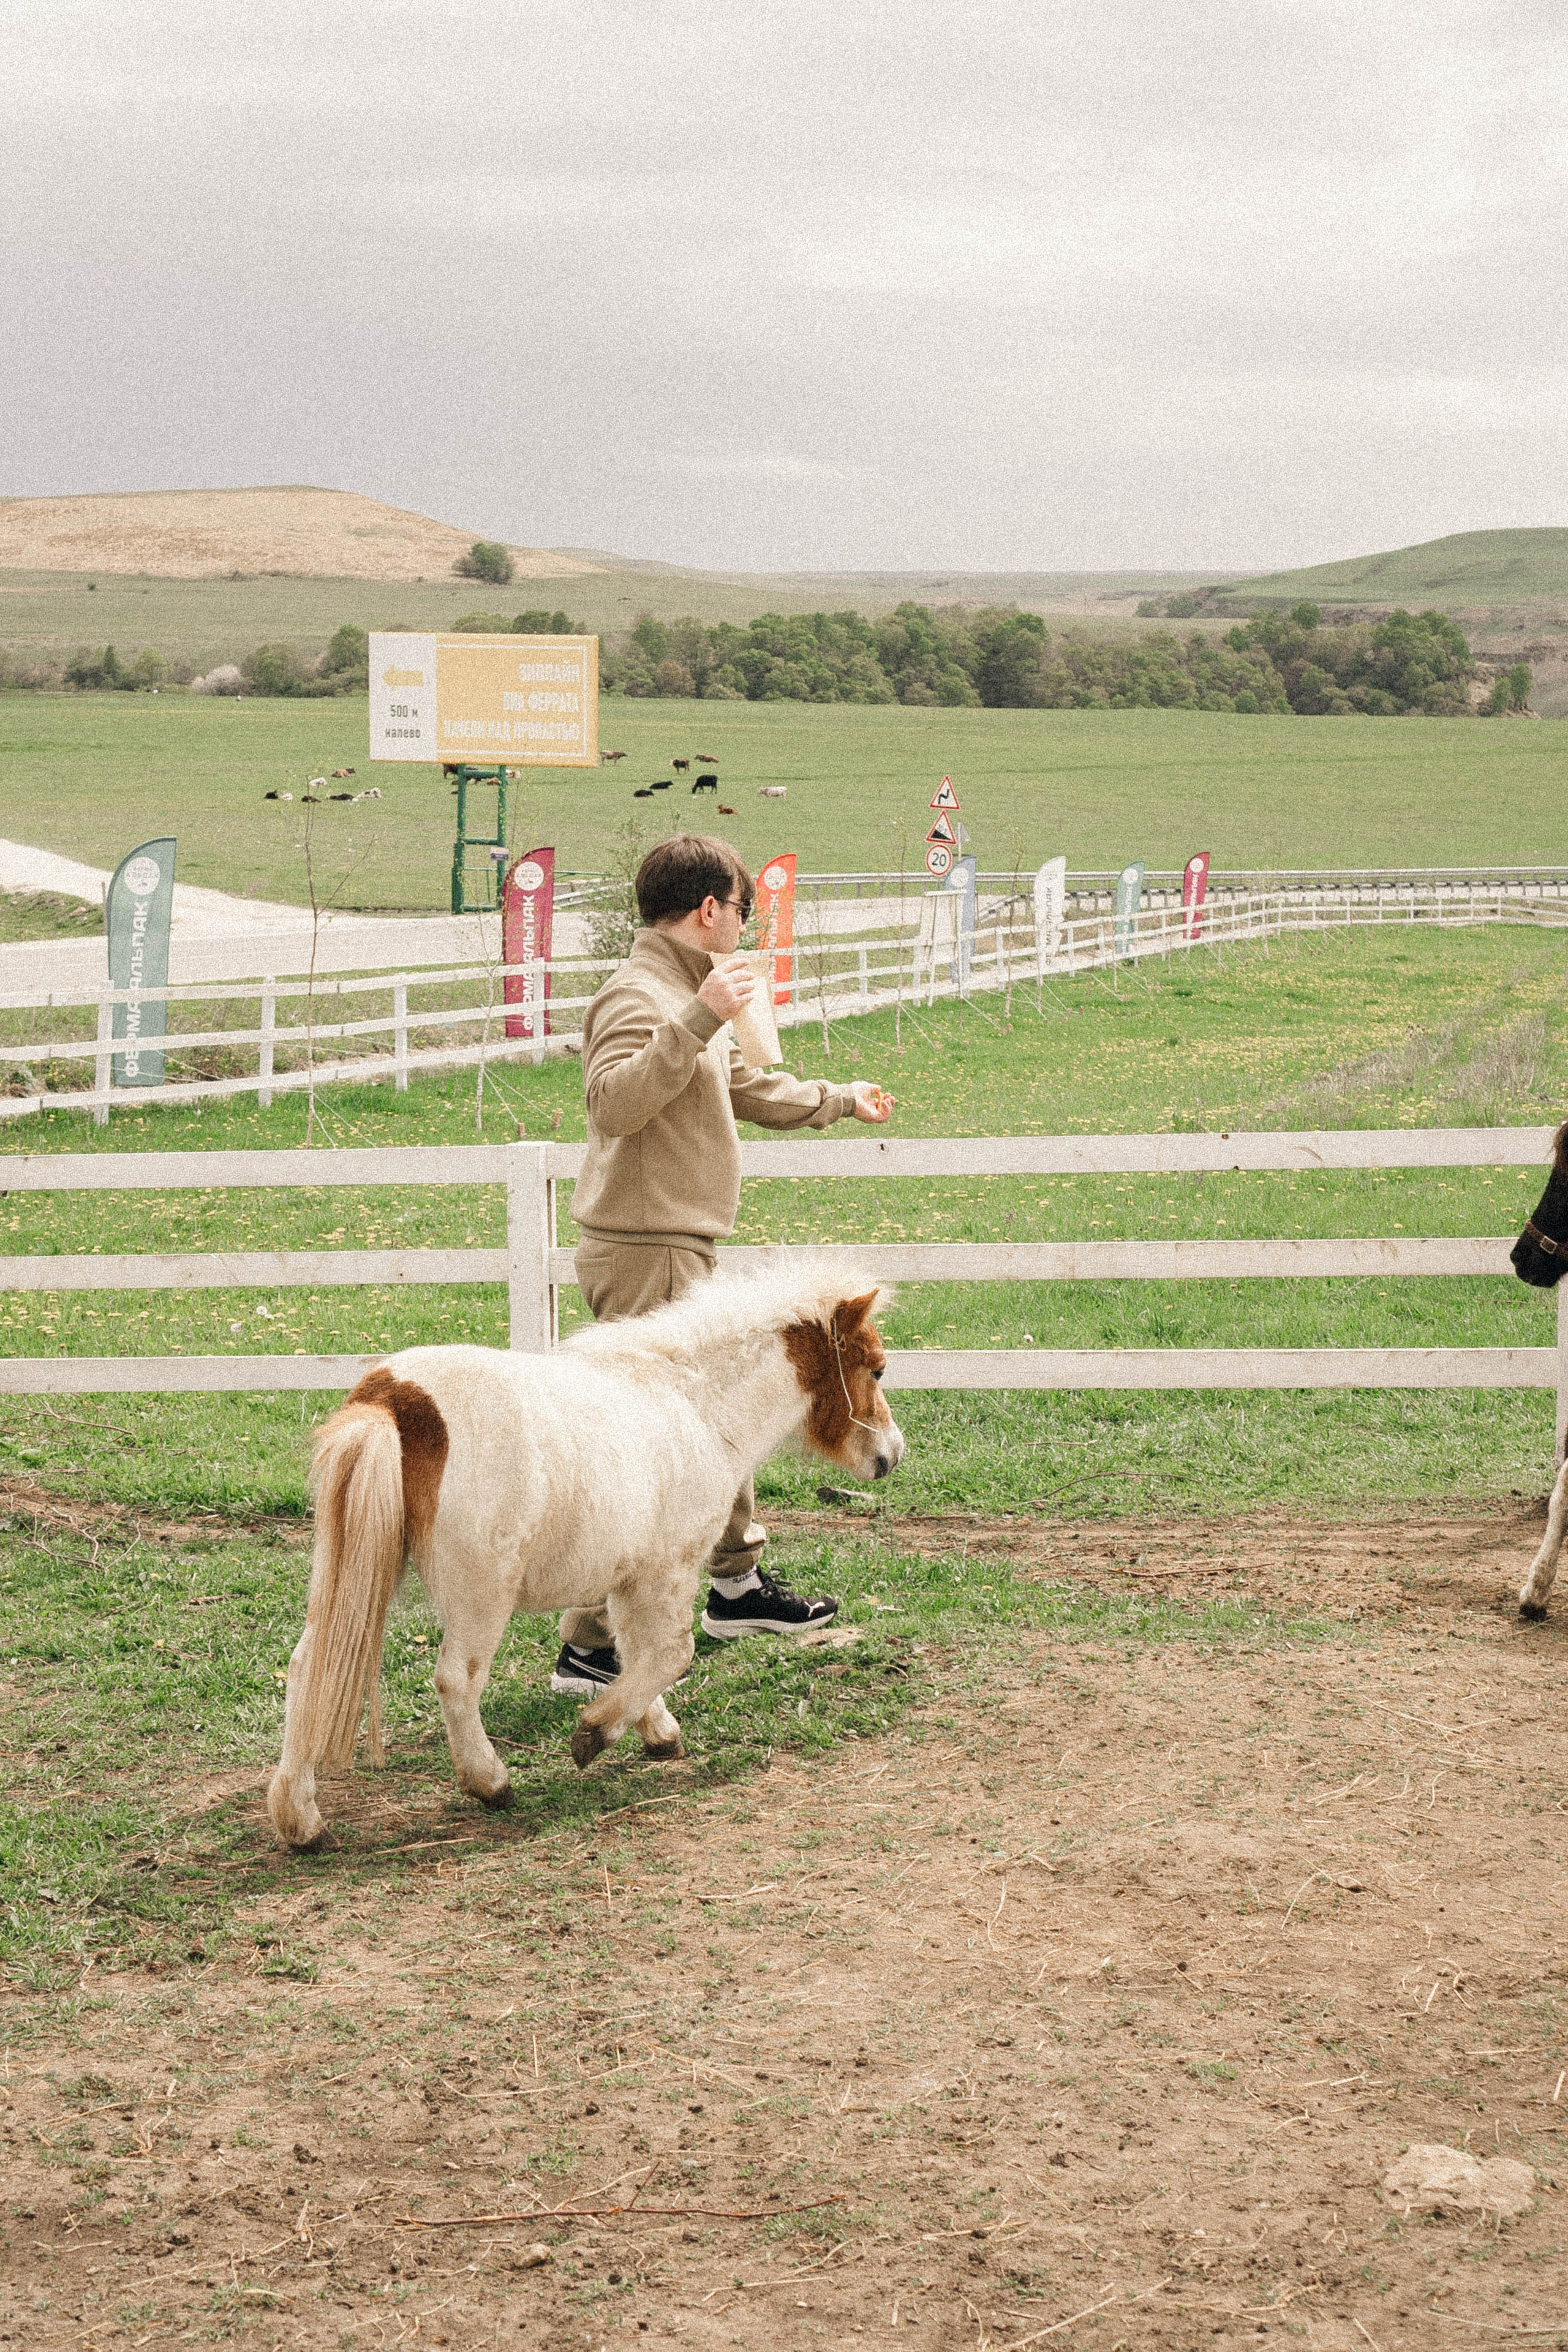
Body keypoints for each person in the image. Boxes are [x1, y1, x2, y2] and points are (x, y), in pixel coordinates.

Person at [551, 832, 894, 1696]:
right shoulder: (643, 995)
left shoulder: (681, 991)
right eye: (744, 909)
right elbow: (615, 1104)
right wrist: (698, 1015)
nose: (747, 924)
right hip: (646, 1251)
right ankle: (590, 1645)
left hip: (675, 1243)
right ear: (710, 909)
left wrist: (840, 1101)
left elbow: (736, 1086)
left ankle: (734, 1586)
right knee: (645, 1455)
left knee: (707, 1432)